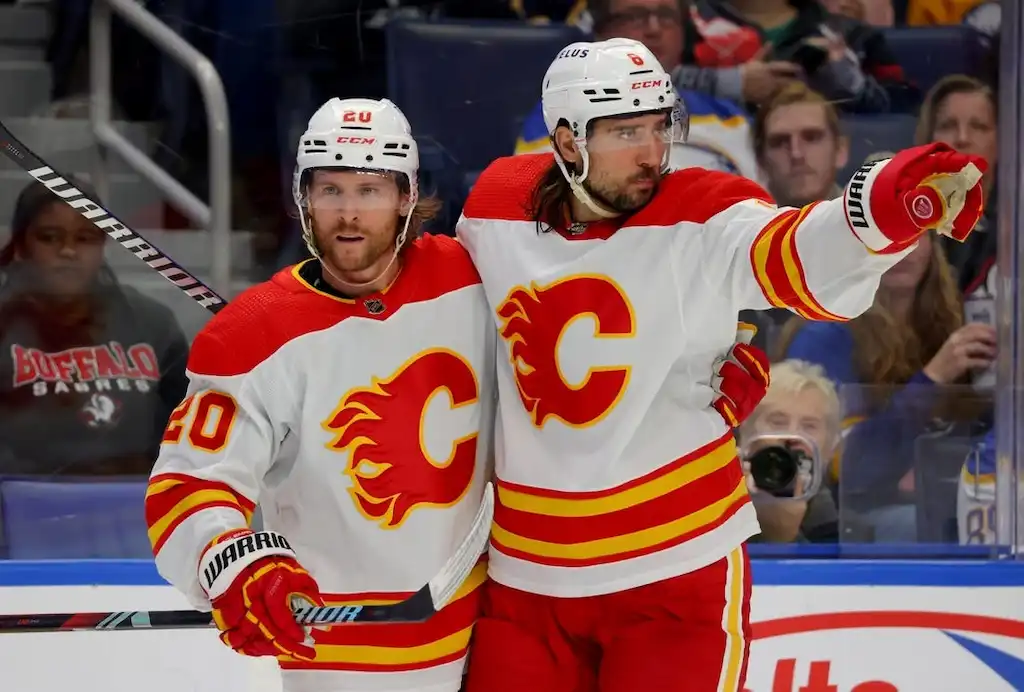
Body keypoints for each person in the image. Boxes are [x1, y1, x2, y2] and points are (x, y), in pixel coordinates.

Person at [455, 37, 986, 692]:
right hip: (529, 581)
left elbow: (791, 251)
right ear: (567, 142)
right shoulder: (495, 207)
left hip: (673, 573)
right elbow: (447, 324)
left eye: (660, 126)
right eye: (626, 132)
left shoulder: (704, 209)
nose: (652, 152)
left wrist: (875, 212)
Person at [144, 97, 498, 692]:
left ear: (407, 196)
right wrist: (235, 562)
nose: (349, 213)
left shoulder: (474, 277)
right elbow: (189, 485)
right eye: (330, 190)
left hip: (486, 634)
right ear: (303, 198)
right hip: (343, 657)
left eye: (369, 190)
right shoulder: (248, 337)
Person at [0, 177, 189, 477]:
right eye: (49, 238)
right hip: (21, 498)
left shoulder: (153, 324)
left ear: (102, 245)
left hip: (136, 496)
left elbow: (189, 430)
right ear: (21, 246)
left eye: (85, 238)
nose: (68, 251)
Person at [515, 0, 761, 181]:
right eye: (634, 17)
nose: (654, 29)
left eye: (666, 17)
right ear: (600, 34)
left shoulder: (730, 117)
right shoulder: (562, 112)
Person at [738, 359, 840, 544]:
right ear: (747, 431)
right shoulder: (720, 498)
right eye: (778, 422)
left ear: (830, 445)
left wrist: (784, 536)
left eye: (809, 426)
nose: (793, 436)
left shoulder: (837, 518)